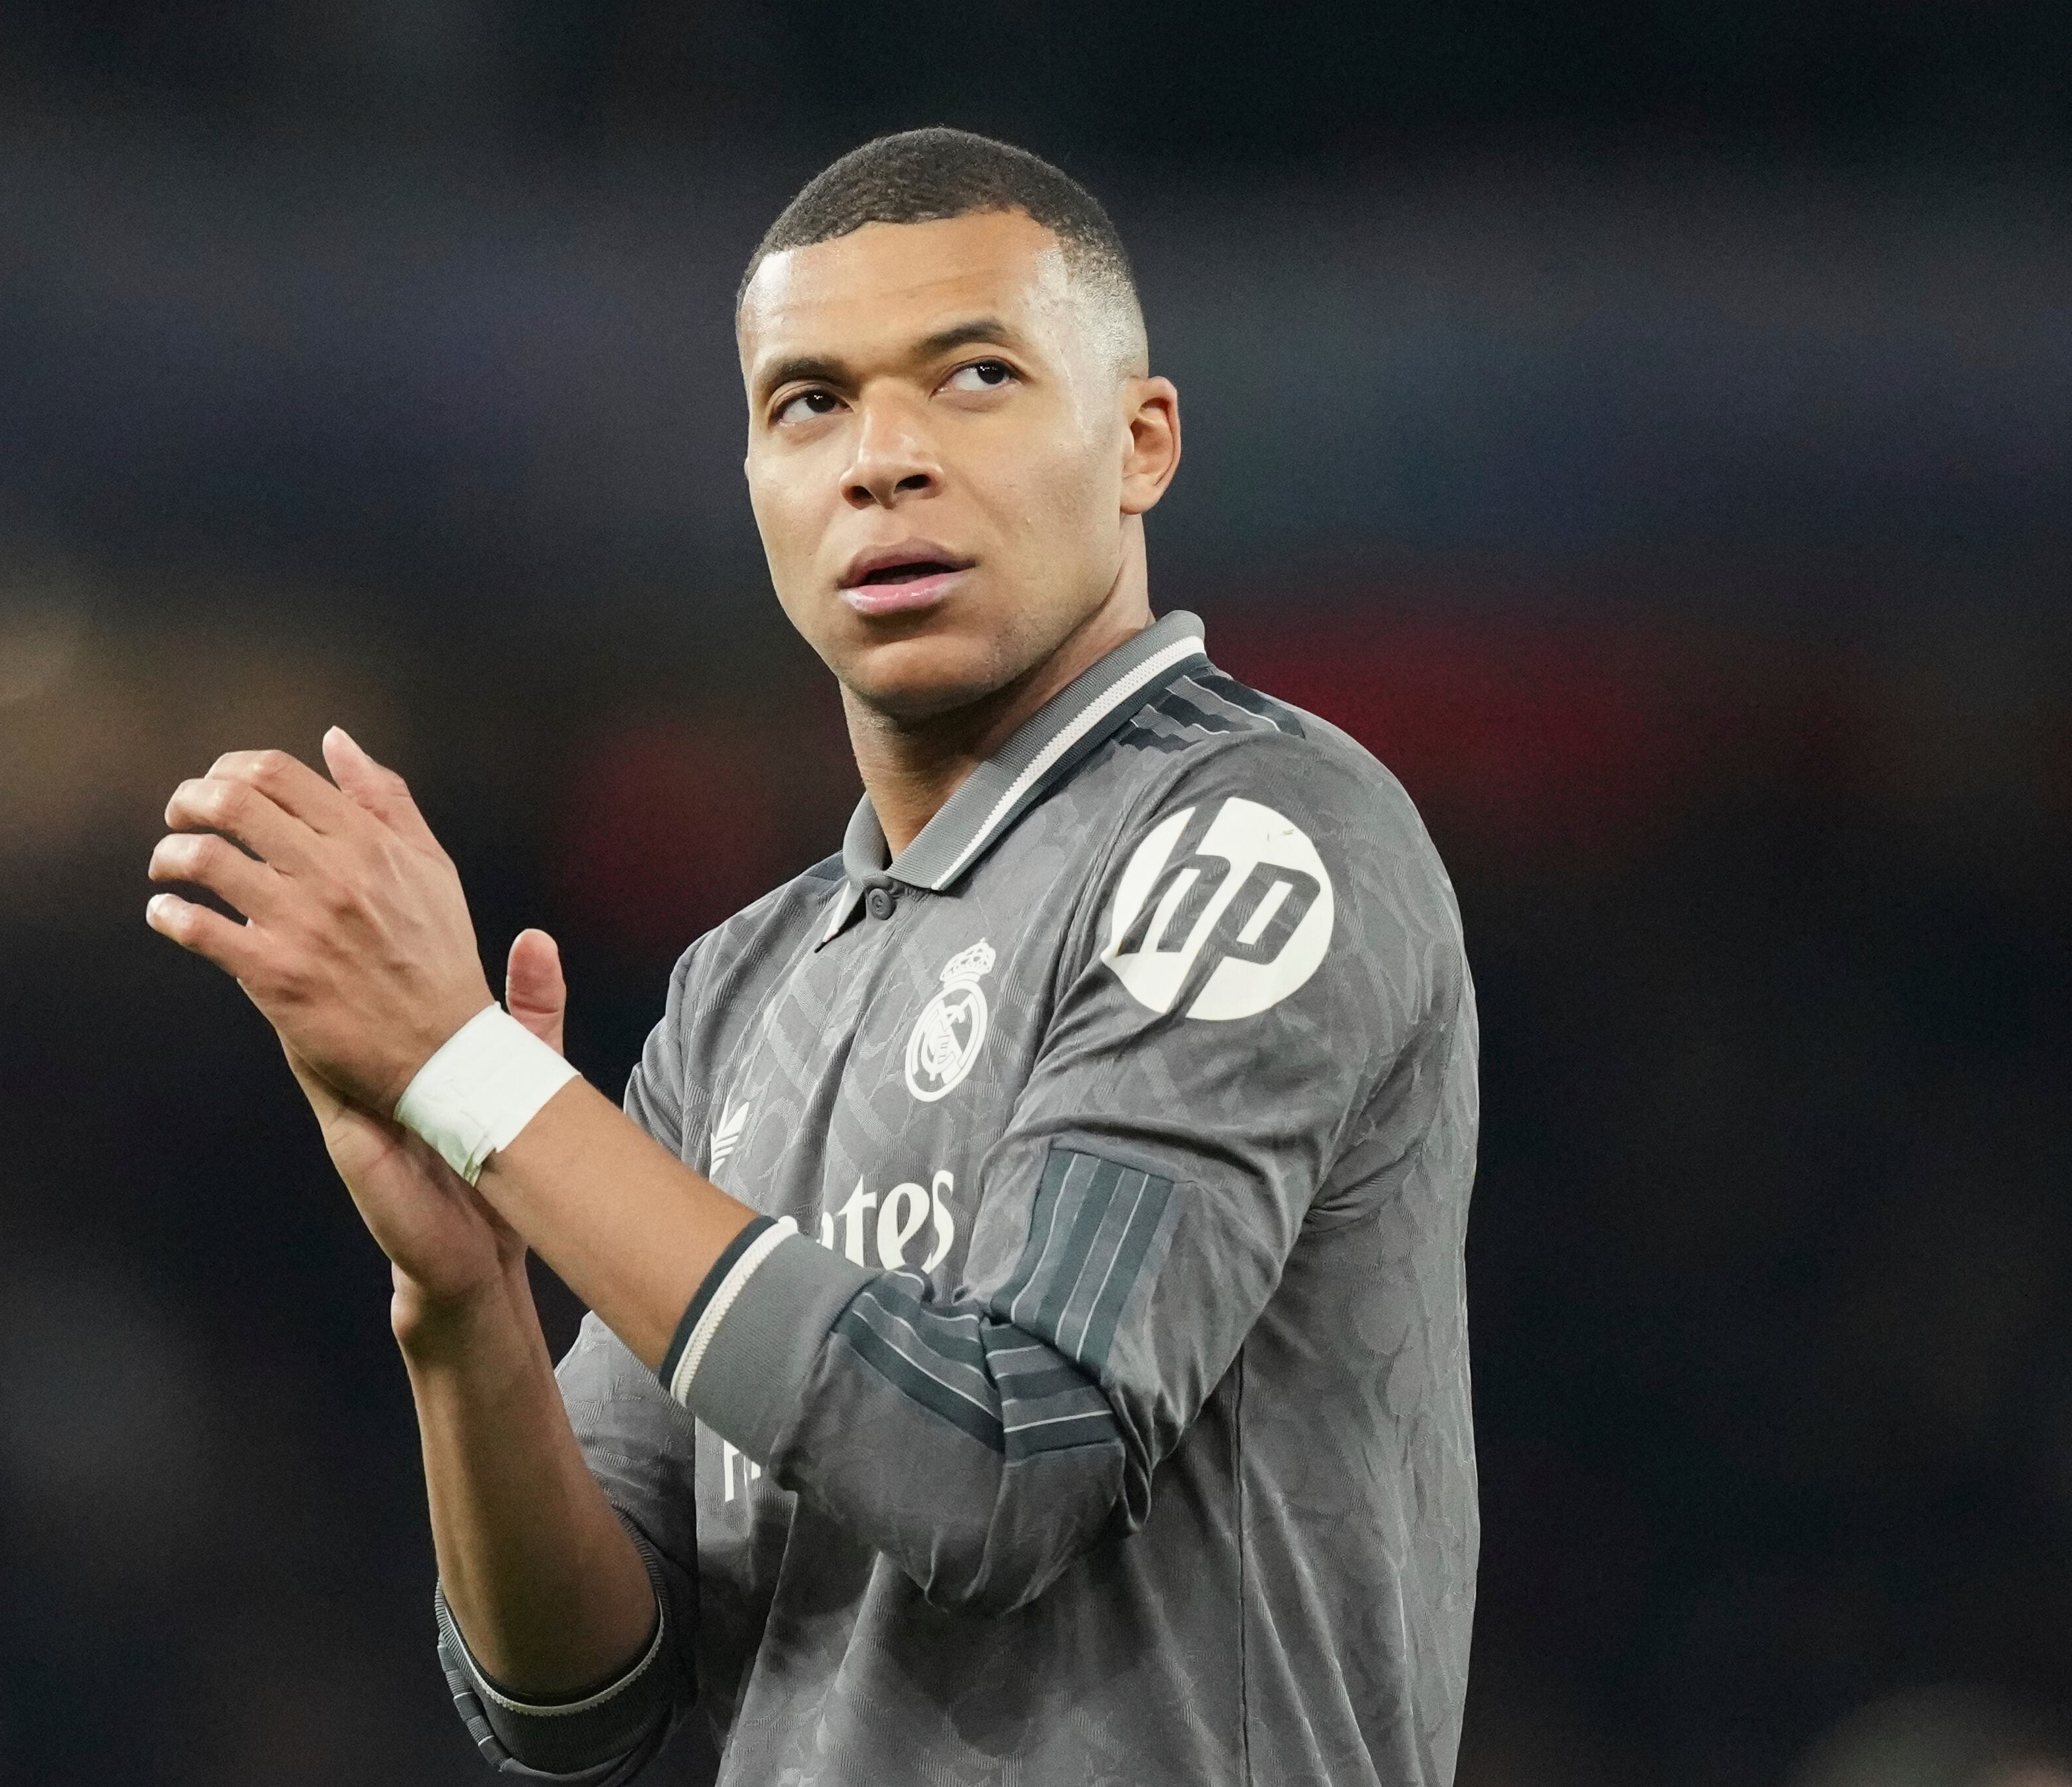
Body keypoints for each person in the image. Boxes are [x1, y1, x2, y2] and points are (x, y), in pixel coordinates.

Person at [145, 126, 1477, 1786]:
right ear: (757, 484)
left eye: (974, 377)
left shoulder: (1250, 834)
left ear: (1140, 442)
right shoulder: (740, 993)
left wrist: (473, 1072)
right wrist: (467, 1302)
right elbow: (573, 1704)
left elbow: (1007, 1461)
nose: (881, 461)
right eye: (810, 402)